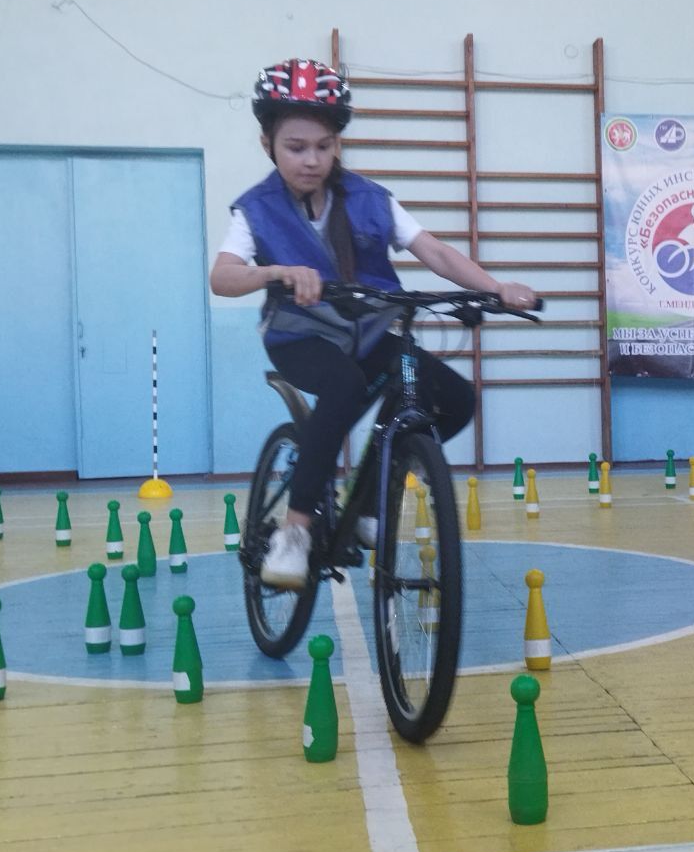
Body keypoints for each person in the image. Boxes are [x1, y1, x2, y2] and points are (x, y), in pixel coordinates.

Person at [210, 58, 536, 588]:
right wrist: (277, 272)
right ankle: (294, 531)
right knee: (342, 385)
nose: (311, 159)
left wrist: (495, 288)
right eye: (296, 147)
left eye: (324, 146)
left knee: (454, 398)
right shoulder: (255, 210)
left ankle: (370, 499)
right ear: (266, 142)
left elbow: (433, 250)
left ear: (338, 144)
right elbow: (223, 277)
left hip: (366, 333)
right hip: (300, 336)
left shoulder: (370, 199)